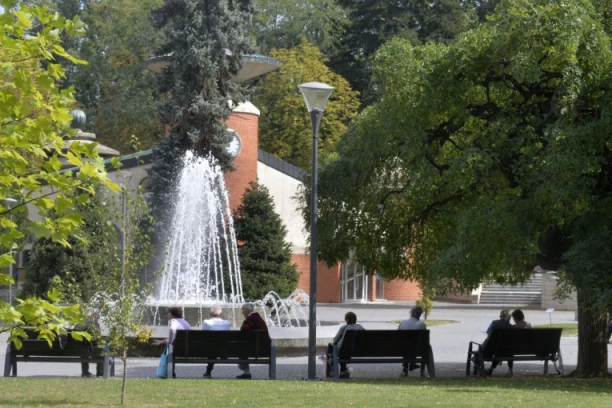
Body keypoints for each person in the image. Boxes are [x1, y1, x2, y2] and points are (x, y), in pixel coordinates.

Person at [152, 307, 191, 378]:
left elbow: (172, 334)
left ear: (173, 315)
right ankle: (172, 372)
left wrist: (166, 342)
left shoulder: (174, 322)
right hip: (187, 350)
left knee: (170, 347)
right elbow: (175, 338)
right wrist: (162, 341)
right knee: (171, 345)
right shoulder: (186, 323)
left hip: (176, 350)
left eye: (169, 313)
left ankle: (170, 372)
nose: (168, 315)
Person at [326, 311, 365, 378]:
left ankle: (334, 371)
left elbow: (335, 340)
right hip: (357, 351)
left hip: (343, 351)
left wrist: (334, 343)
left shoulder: (344, 327)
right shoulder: (360, 327)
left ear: (346, 320)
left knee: (333, 347)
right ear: (355, 320)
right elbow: (365, 337)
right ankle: (343, 371)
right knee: (344, 348)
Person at [236, 303, 268, 379]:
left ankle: (246, 372)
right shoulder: (257, 317)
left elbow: (244, 329)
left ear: (246, 310)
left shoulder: (250, 318)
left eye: (242, 311)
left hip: (255, 349)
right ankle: (246, 373)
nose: (242, 313)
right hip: (263, 347)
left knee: (241, 350)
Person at [201, 304, 231, 378]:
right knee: (217, 345)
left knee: (212, 347)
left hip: (209, 350)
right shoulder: (227, 323)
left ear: (210, 314)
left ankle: (208, 372)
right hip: (223, 350)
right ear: (221, 314)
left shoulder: (206, 322)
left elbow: (203, 334)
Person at [398, 306, 426, 376]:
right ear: (419, 315)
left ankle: (405, 368)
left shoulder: (402, 323)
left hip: (401, 349)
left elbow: (398, 336)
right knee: (414, 344)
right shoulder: (422, 325)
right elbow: (423, 340)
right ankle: (412, 364)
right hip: (417, 350)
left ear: (411, 313)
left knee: (406, 344)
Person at [78, 311, 102, 378]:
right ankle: (100, 373)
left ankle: (85, 372)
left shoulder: (81, 323)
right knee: (102, 354)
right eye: (97, 319)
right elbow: (97, 338)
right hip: (91, 350)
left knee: (84, 353)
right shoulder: (95, 325)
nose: (98, 321)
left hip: (78, 349)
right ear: (96, 318)